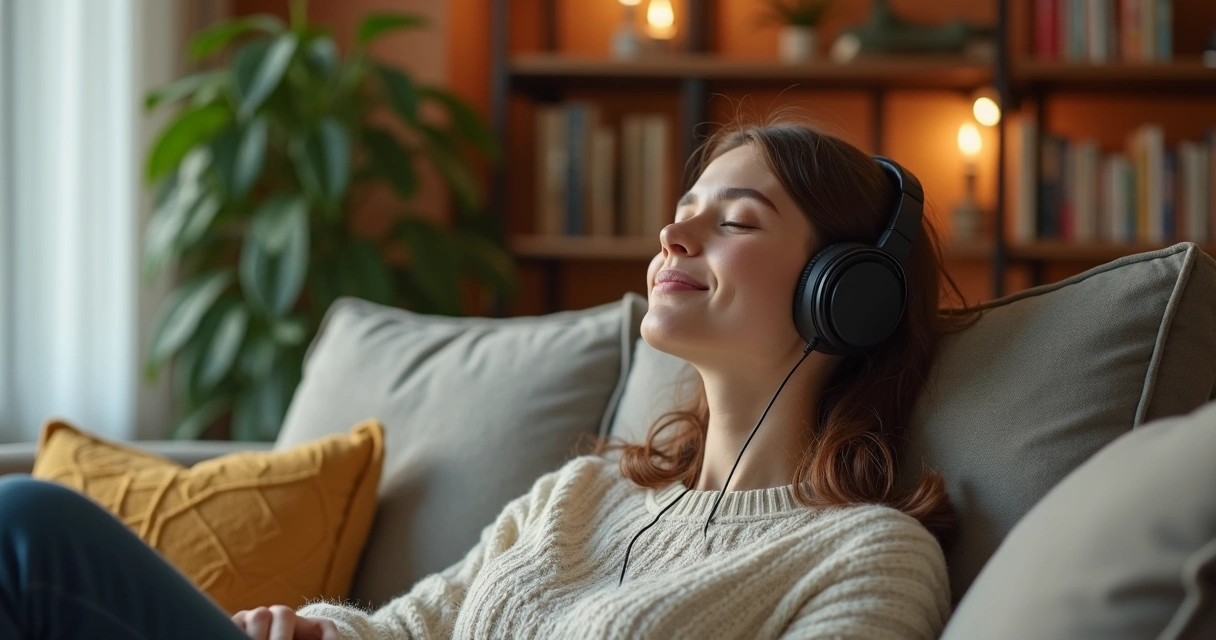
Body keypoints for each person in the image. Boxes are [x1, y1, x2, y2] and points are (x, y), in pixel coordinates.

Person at [0, 119, 980, 640]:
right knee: (28, 523)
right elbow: (410, 626)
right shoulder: (584, 494)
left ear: (840, 295)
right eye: (683, 207)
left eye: (735, 219)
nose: (673, 234)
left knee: (34, 534)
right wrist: (313, 627)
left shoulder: (867, 553)